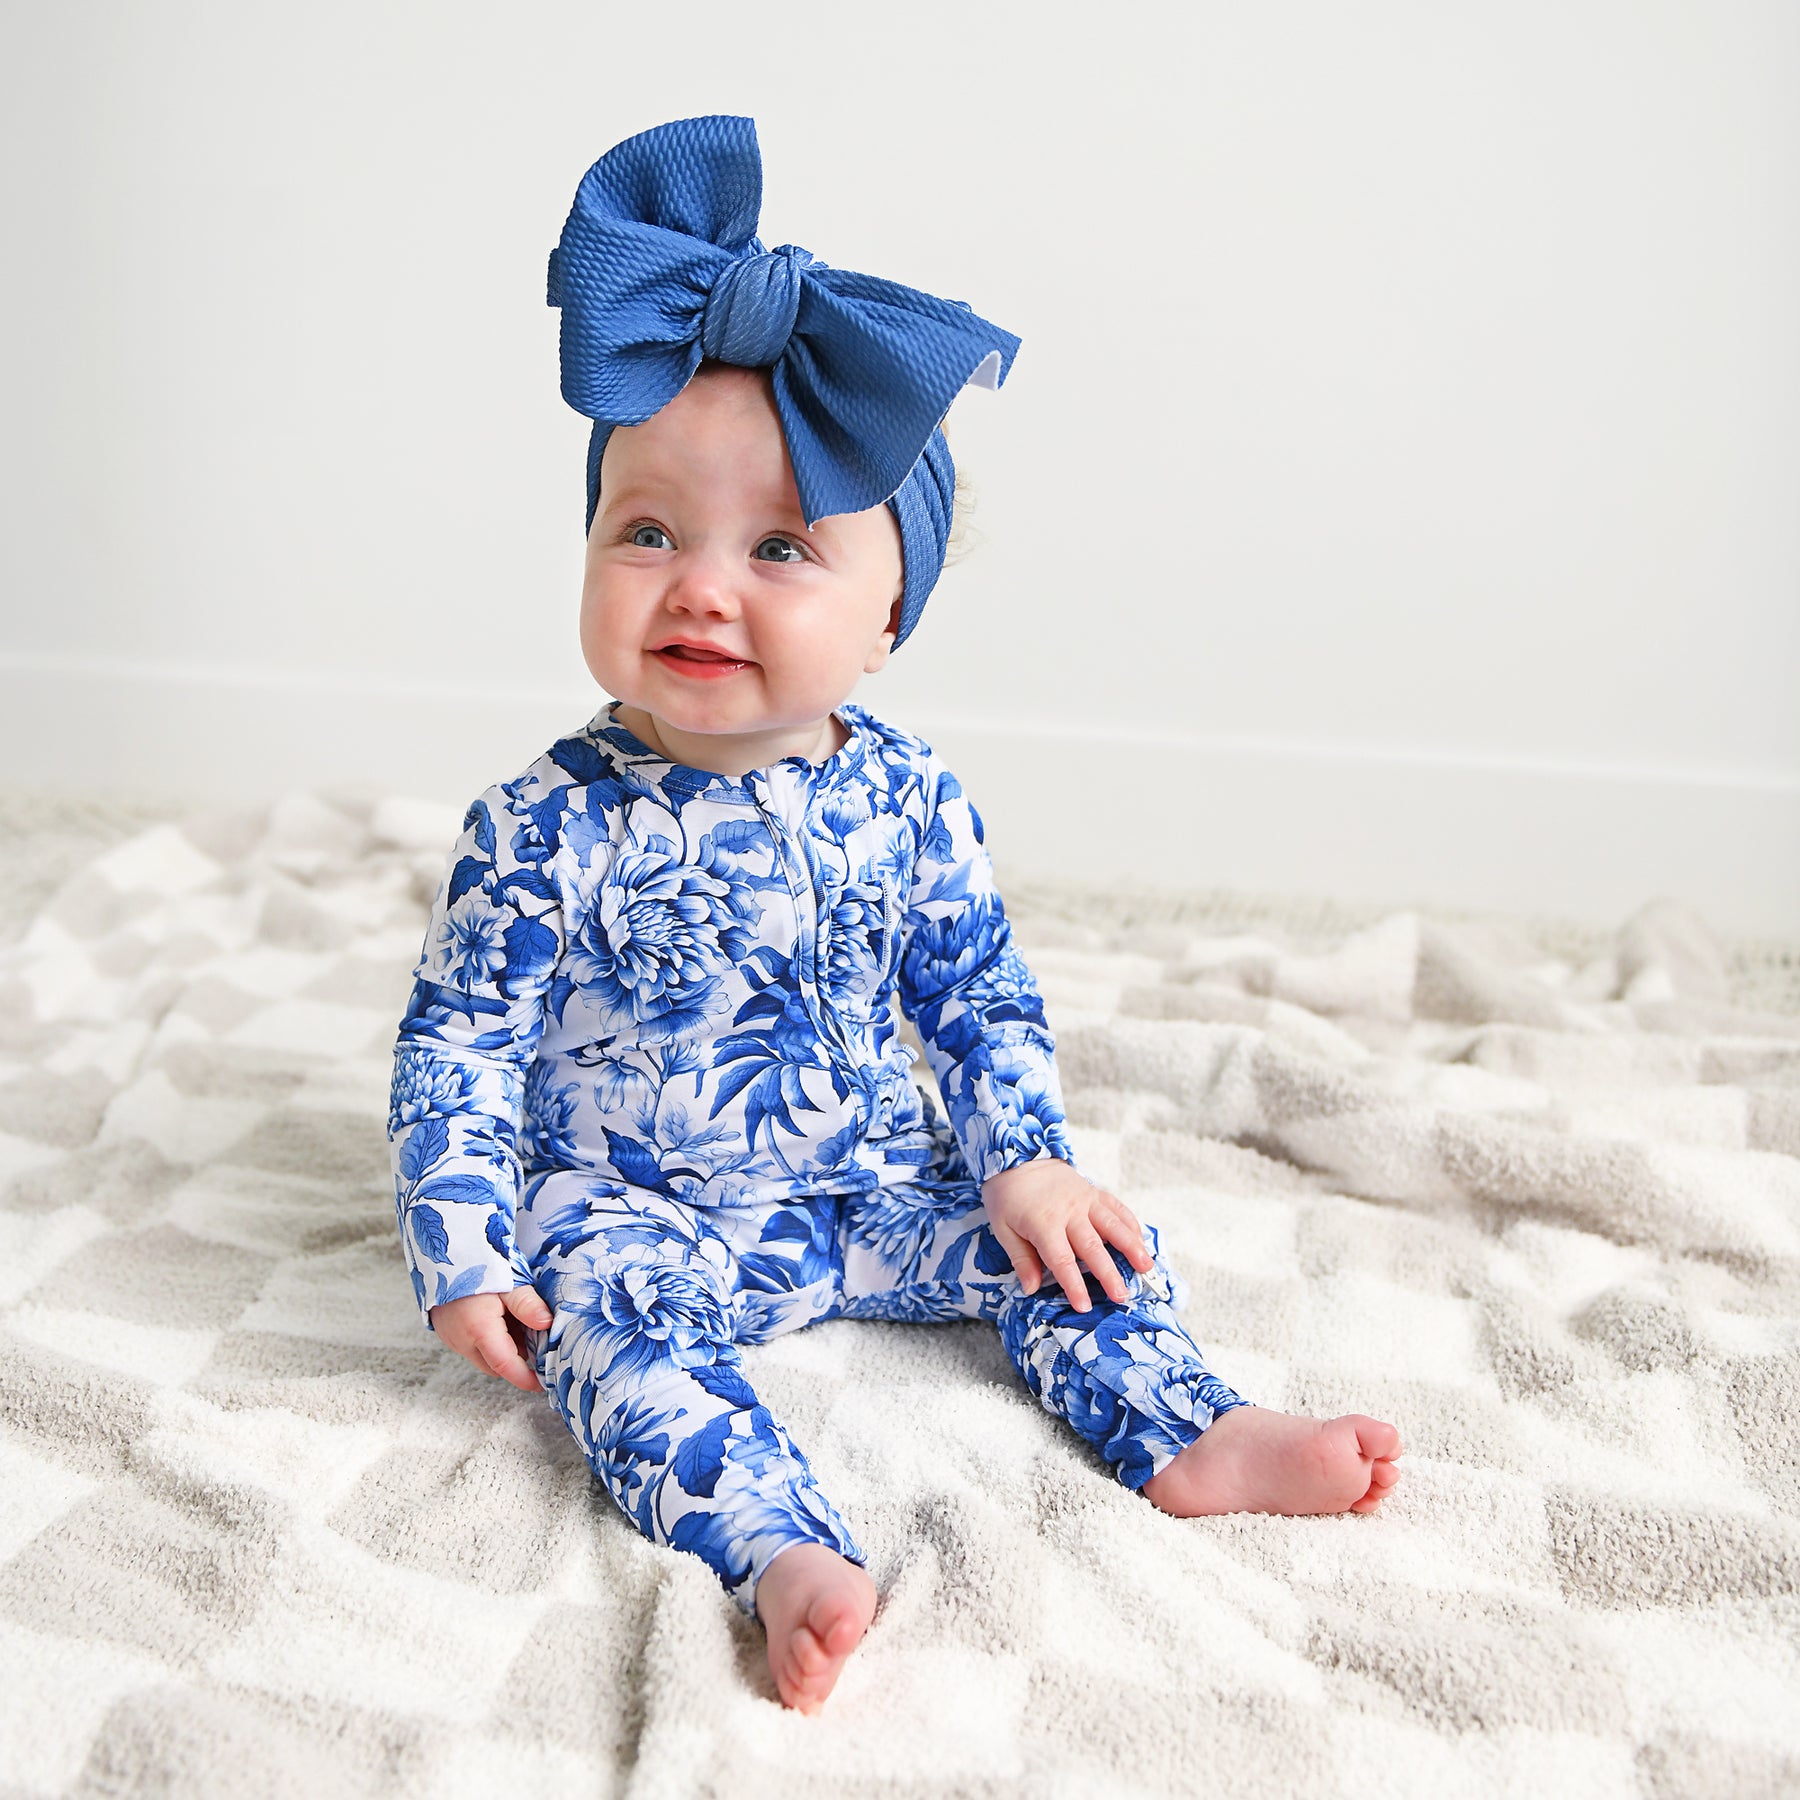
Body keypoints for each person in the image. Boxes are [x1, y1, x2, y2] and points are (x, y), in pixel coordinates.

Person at [387, 114, 1401, 1716]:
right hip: (628, 1202)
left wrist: (1023, 1157)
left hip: (867, 1175)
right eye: (645, 530)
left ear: (889, 620)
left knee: (1078, 1252)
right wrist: (462, 1244)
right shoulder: (539, 824)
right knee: (609, 1344)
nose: (699, 584)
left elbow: (974, 992)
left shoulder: (910, 796)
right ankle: (780, 1548)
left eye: (780, 547)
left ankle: (1190, 1430)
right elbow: (459, 1041)